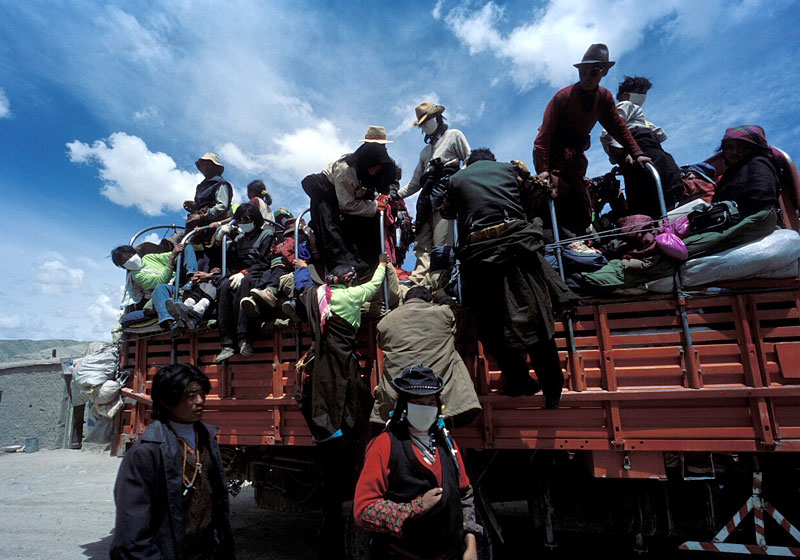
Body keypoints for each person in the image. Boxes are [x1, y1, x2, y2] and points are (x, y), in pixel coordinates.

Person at [442, 148, 576, 407]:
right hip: (519, 248)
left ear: (470, 164)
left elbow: (447, 211)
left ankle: (519, 381)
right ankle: (552, 390)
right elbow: (541, 192)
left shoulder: (456, 179)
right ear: (491, 161)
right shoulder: (511, 169)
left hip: (479, 256)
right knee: (538, 320)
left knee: (491, 325)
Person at [296, 254, 389, 558]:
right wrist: (382, 265)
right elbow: (374, 285)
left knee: (331, 470)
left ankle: (330, 533)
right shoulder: (352, 296)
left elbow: (302, 288)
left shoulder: (315, 295)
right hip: (343, 370)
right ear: (349, 281)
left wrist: (301, 270)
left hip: (321, 374)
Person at [354, 364, 483, 560]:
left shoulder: (447, 443)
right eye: (417, 402)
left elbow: (465, 495)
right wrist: (415, 508)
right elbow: (364, 510)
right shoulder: (384, 445)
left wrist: (470, 545)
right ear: (404, 405)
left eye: (431, 402)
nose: (425, 408)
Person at [110, 363, 236, 560]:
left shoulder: (206, 438)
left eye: (202, 394)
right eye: (190, 396)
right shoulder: (146, 452)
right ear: (167, 400)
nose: (200, 401)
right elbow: (131, 537)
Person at [533, 43, 651, 238]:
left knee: (581, 201)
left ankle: (582, 241)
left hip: (575, 155)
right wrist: (544, 169)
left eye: (593, 72)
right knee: (557, 191)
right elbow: (542, 139)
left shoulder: (604, 98)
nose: (587, 77)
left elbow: (618, 128)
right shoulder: (562, 97)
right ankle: (565, 243)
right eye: (583, 72)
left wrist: (636, 152)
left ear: (604, 72)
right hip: (552, 151)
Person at [372, 286, 481, 427]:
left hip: (398, 393)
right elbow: (461, 318)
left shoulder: (386, 321)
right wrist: (444, 298)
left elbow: (381, 344)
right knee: (451, 350)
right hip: (439, 391)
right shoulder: (443, 312)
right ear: (430, 301)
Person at [395, 102, 471, 288]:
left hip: (445, 195)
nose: (425, 125)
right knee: (422, 240)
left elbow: (469, 161)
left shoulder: (454, 135)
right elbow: (415, 183)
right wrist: (395, 195)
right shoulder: (425, 152)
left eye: (428, 120)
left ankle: (439, 283)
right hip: (426, 198)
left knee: (442, 241)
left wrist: (455, 183)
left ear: (437, 118)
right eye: (422, 123)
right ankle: (418, 282)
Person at [301, 126, 395, 276]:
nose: (374, 172)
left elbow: (387, 182)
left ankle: (370, 267)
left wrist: (384, 196)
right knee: (332, 232)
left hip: (353, 200)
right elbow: (346, 204)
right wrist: (375, 205)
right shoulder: (346, 168)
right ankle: (344, 271)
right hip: (327, 194)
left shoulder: (380, 164)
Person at [600, 76, 683, 217]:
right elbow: (610, 129)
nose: (643, 96)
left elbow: (661, 134)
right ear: (626, 95)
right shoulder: (627, 105)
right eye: (639, 92)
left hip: (651, 148)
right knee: (660, 178)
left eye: (645, 93)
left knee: (662, 180)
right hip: (641, 150)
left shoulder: (640, 116)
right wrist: (621, 152)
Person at [111, 243, 198, 336]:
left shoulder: (148, 258)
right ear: (123, 266)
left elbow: (171, 256)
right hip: (166, 292)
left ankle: (192, 276)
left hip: (180, 283)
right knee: (160, 288)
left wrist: (178, 251)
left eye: (130, 256)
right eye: (125, 260)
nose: (130, 260)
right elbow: (161, 281)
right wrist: (172, 257)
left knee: (187, 246)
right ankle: (170, 322)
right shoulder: (136, 276)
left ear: (135, 253)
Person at [711, 125, 779, 217]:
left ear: (752, 148)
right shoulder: (730, 174)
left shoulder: (758, 163)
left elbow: (762, 197)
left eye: (740, 146)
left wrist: (735, 215)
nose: (734, 152)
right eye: (729, 147)